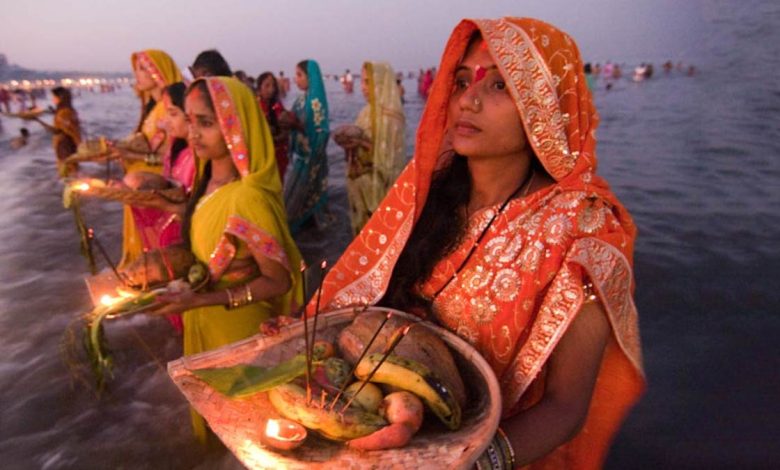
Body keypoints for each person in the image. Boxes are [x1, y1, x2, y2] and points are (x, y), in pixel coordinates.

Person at [308, 18, 644, 469]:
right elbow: (363, 298)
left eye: (501, 85)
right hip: (391, 421)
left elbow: (566, 406)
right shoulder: (423, 193)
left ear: (545, 106)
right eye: (463, 81)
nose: (468, 100)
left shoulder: (582, 229)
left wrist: (467, 462)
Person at [150, 76, 303, 442]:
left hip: (240, 334)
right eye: (191, 121)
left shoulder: (247, 197)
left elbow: (278, 281)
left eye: (206, 122)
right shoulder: (207, 185)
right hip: (203, 319)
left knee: (246, 427)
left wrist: (202, 298)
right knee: (220, 418)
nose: (194, 132)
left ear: (236, 128)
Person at [111, 49, 183, 268]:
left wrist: (127, 154)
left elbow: (167, 155)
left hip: (154, 185)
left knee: (155, 245)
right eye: (137, 69)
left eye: (143, 68)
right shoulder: (152, 108)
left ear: (157, 72)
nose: (137, 74)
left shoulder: (166, 109)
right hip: (138, 182)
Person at [336, 61, 406, 234]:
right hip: (360, 187)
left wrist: (361, 143)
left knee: (380, 234)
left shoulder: (392, 118)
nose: (363, 88)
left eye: (369, 82)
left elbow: (390, 164)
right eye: (362, 81)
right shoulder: (365, 112)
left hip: (379, 190)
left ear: (381, 83)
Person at [283, 59, 331, 234]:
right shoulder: (301, 99)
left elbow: (320, 131)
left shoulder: (315, 102)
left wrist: (296, 125)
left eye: (299, 75)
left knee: (307, 193)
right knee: (297, 195)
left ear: (310, 77)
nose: (296, 79)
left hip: (311, 158)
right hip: (301, 157)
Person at [32, 86, 81, 176]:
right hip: (67, 143)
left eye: (54, 97)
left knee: (67, 168)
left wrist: (38, 121)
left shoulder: (64, 112)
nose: (53, 99)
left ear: (60, 98)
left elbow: (63, 130)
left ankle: (70, 185)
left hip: (64, 144)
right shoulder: (68, 110)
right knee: (70, 167)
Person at [256, 71, 292, 180]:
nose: (271, 89)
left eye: (273, 86)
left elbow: (286, 131)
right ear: (259, 89)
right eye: (267, 86)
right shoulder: (256, 107)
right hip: (264, 155)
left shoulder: (277, 105)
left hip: (280, 153)